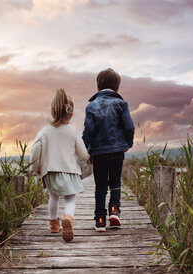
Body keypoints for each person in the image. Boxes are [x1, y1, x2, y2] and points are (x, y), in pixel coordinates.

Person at [30, 89, 90, 242]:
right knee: (70, 198)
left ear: (52, 111)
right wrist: (86, 158)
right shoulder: (72, 132)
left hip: (50, 172)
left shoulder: (44, 131)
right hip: (69, 171)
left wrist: (34, 168)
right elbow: (83, 155)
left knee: (53, 197)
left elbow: (35, 151)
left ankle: (53, 225)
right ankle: (68, 218)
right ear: (71, 113)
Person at [82, 68, 135, 232]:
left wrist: (85, 150)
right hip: (118, 150)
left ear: (98, 87)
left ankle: (99, 220)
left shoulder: (91, 106)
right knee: (115, 182)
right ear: (117, 88)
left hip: (98, 152)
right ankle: (114, 210)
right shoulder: (121, 104)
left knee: (100, 186)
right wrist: (128, 144)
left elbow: (88, 131)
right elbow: (130, 127)